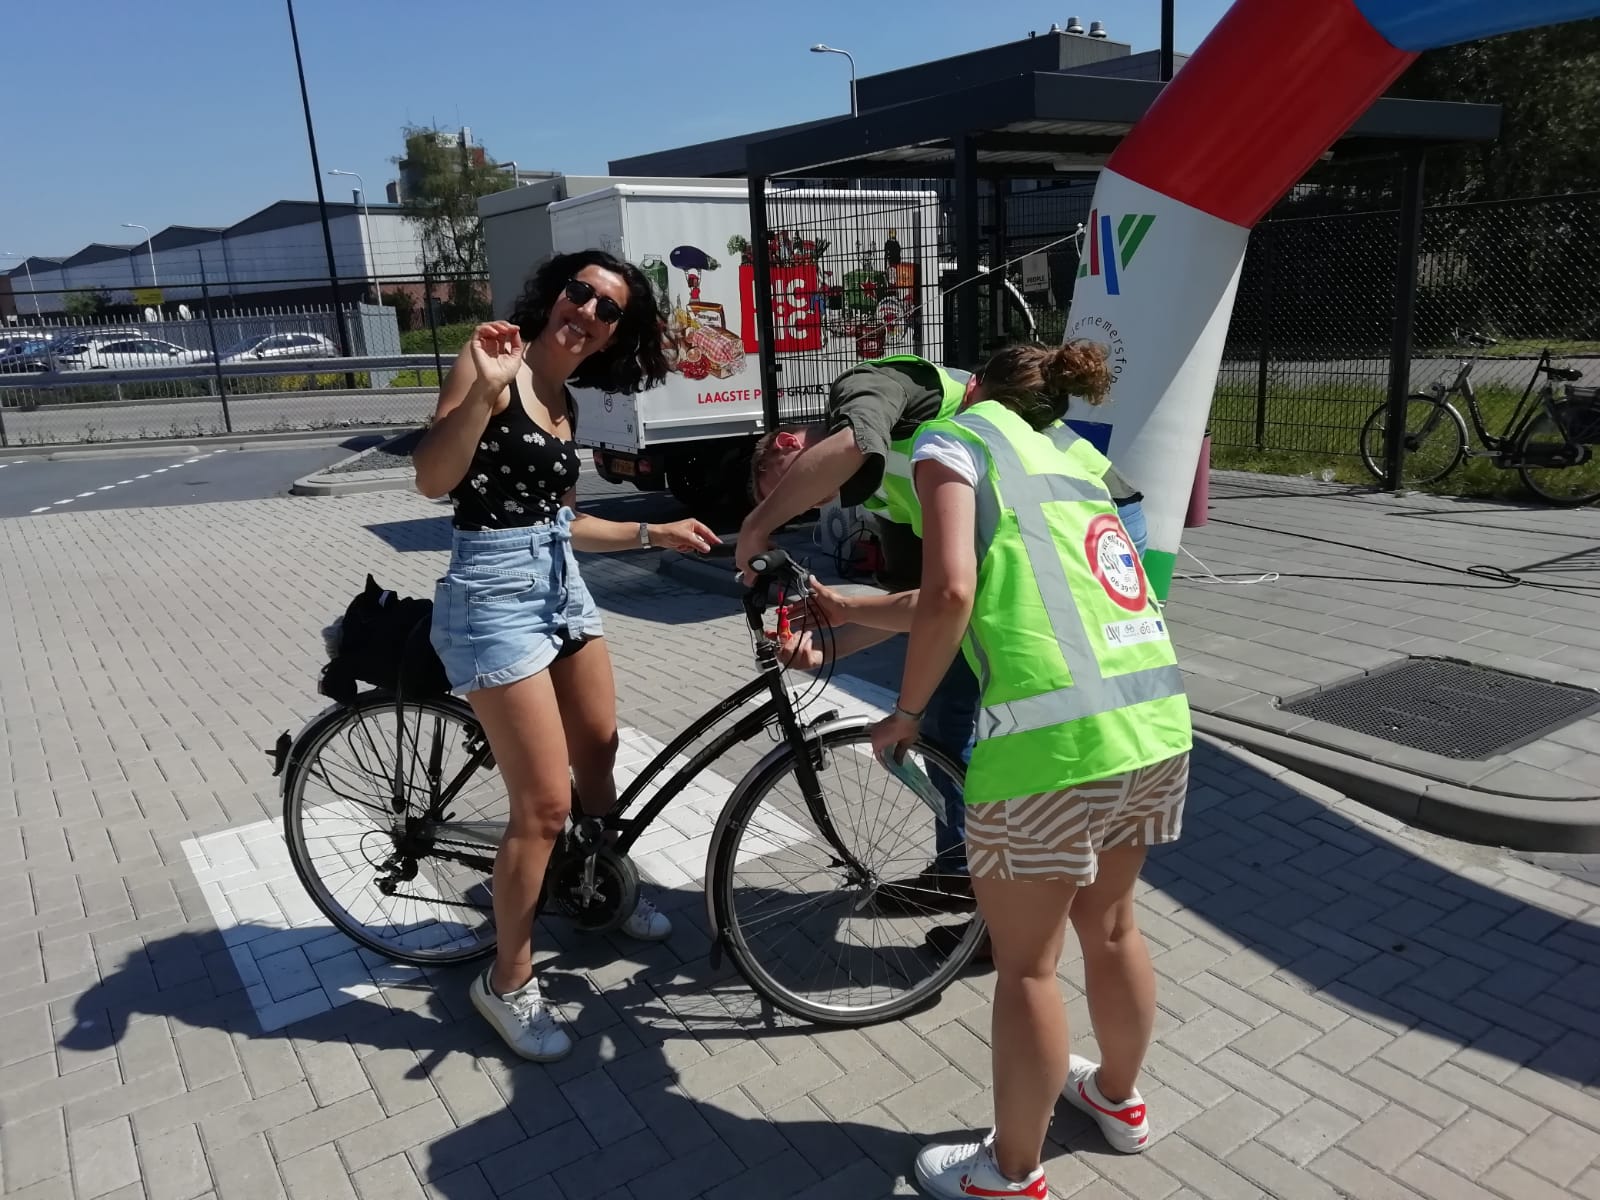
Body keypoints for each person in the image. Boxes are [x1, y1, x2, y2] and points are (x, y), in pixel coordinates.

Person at [787, 340, 1190, 1195]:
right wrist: (850, 613)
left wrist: (904, 715)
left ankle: (1009, 1174)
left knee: (1028, 968)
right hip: (1151, 722)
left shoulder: (956, 440)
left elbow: (950, 593)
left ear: (972, 392)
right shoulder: (1073, 454)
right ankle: (1118, 1101)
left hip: (1049, 747)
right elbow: (975, 597)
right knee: (1114, 928)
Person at [413, 250, 720, 1062]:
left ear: (616, 334)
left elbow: (566, 521)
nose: (587, 310)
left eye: (608, 308)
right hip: (493, 592)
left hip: (559, 582)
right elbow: (433, 479)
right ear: (554, 295)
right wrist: (483, 390)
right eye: (580, 292)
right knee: (544, 806)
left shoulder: (567, 401)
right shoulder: (491, 362)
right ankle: (506, 981)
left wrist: (655, 531)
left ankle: (594, 882)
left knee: (600, 750)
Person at [735, 351, 1148, 926]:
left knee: (1022, 715)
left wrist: (756, 526)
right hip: (1053, 523)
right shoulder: (882, 491)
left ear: (786, 445)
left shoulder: (875, 385)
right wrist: (830, 648)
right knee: (951, 720)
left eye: (787, 492)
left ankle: (1009, 913)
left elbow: (853, 443)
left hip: (1086, 518)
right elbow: (921, 606)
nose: (808, 505)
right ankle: (969, 881)